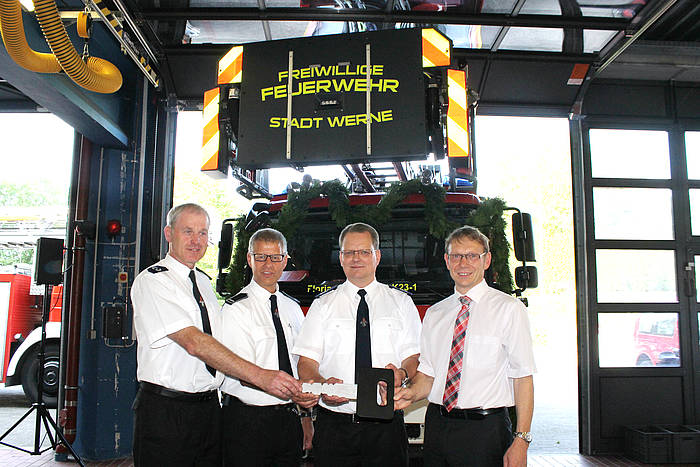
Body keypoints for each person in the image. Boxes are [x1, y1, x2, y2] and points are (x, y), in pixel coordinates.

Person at [130, 203, 301, 466]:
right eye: (188, 231)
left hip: (209, 410)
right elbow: (194, 342)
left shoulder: (203, 282)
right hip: (168, 409)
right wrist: (261, 376)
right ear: (169, 233)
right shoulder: (153, 281)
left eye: (202, 233)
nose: (196, 241)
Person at [394, 226, 536, 467]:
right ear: (447, 261)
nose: (463, 263)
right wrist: (411, 393)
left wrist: (521, 440)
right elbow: (428, 375)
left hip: (485, 431)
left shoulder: (509, 310)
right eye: (456, 256)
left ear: (486, 260)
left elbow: (523, 377)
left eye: (472, 256)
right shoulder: (435, 313)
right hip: (438, 426)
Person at [294, 222, 422, 466]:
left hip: (386, 425)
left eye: (364, 251)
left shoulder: (401, 303)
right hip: (335, 426)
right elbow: (306, 362)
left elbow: (413, 357)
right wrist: (322, 385)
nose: (356, 258)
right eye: (349, 252)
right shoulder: (322, 305)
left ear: (377, 256)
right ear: (341, 258)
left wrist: (402, 374)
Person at [219, 228, 318, 466]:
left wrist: (305, 417)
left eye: (275, 257)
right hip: (247, 420)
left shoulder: (293, 308)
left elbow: (299, 365)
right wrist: (297, 394)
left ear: (285, 260)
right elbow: (244, 374)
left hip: (288, 418)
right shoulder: (235, 310)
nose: (268, 265)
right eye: (261, 257)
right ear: (249, 259)